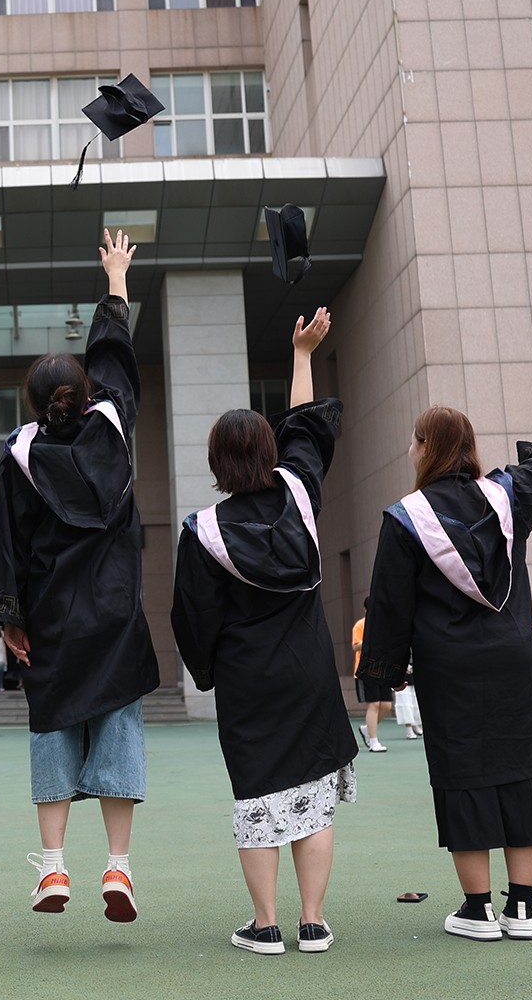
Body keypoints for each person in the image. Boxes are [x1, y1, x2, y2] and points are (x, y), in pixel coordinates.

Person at [358, 367, 532, 944]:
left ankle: (479, 911)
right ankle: (522, 909)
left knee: (464, 778)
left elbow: (389, 602)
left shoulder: (406, 518)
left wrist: (385, 674)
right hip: (513, 662)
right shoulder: (506, 497)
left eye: (414, 441)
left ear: (425, 448)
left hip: (449, 670)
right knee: (523, 771)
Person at [0, 231, 158, 923]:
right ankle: (118, 865)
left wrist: (9, 616)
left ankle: (54, 866)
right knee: (119, 724)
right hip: (114, 610)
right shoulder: (113, 428)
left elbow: (7, 539)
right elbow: (116, 360)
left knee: (53, 726)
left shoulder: (20, 455)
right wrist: (116, 281)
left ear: (35, 404)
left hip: (52, 614)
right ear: (87, 396)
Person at [172, 308, 355, 956]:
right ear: (271, 455)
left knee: (258, 796)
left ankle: (266, 924)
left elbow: (191, 618)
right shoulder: (299, 495)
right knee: (313, 795)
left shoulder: (203, 533)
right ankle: (313, 922)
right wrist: (302, 355)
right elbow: (305, 425)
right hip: (308, 671)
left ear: (216, 463)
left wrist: (209, 672)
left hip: (248, 681)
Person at [352, 599, 392, 752]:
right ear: (365, 609)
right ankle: (374, 741)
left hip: (383, 669)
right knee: (374, 704)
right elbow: (355, 646)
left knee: (386, 706)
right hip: (366, 669)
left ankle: (366, 729)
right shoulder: (360, 625)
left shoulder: (384, 626)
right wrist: (369, 640)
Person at [392, 669, 423, 739]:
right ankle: (409, 730)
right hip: (402, 679)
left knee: (415, 704)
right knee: (405, 704)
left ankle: (414, 724)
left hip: (414, 677)